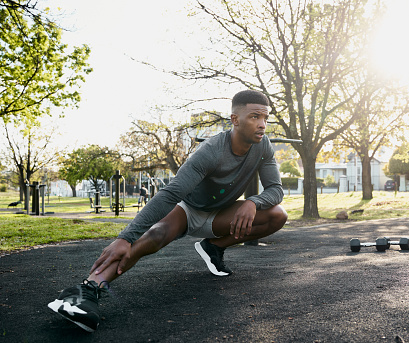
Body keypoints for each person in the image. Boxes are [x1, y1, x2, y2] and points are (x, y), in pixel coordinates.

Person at [47, 90, 288, 332]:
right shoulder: (212, 150)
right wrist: (125, 238)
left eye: (265, 118)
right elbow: (171, 194)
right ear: (235, 119)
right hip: (188, 208)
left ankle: (214, 246)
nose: (262, 125)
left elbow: (276, 189)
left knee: (278, 215)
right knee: (156, 235)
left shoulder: (263, 146)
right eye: (254, 117)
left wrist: (252, 202)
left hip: (222, 214)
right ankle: (86, 290)